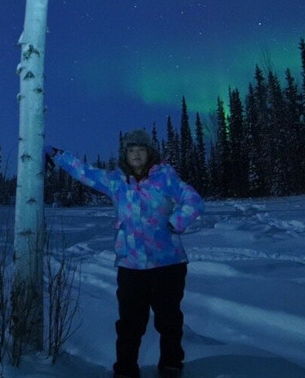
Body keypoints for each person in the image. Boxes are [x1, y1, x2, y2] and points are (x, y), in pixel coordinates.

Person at [46, 129, 204, 378]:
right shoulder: (116, 180)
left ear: (149, 152)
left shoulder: (165, 177)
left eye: (141, 149)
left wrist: (177, 221)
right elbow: (85, 173)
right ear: (125, 155)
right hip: (131, 265)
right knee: (130, 323)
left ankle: (172, 365)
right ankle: (126, 370)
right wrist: (58, 155)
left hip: (168, 263)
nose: (136, 154)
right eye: (131, 150)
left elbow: (193, 200)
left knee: (169, 320)